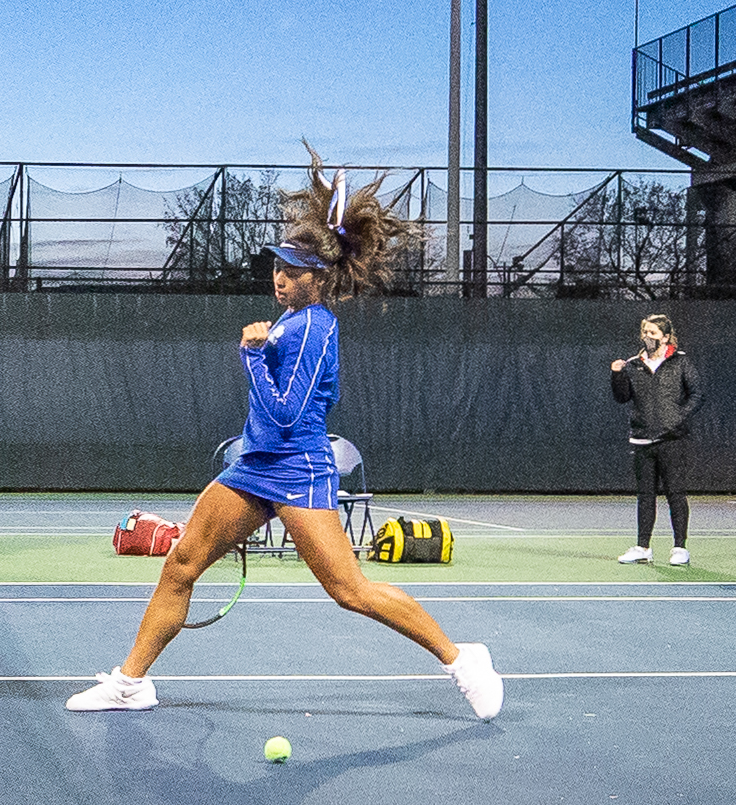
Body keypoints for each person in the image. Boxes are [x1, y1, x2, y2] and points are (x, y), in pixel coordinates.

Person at [69, 158, 500, 722]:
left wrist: (250, 357)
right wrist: (259, 353)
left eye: (293, 270)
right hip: (254, 467)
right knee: (181, 565)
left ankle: (462, 658)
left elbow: (288, 412)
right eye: (277, 266)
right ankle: (130, 682)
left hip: (298, 467)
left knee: (349, 590)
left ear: (318, 278)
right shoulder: (286, 324)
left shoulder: (315, 326)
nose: (280, 277)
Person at [608, 311, 703, 566]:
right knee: (645, 496)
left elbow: (697, 394)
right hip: (641, 440)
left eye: (652, 333)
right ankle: (643, 547)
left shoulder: (680, 362)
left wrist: (677, 418)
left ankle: (679, 548)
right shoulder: (634, 364)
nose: (647, 337)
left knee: (675, 493)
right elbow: (622, 397)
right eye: (645, 332)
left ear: (665, 336)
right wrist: (617, 375)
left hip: (672, 440)